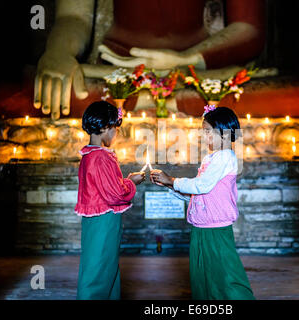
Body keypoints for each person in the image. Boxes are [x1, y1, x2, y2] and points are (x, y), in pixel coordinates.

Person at [150, 105, 255, 300]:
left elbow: (202, 186)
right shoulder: (212, 158)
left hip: (215, 228)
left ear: (224, 134)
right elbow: (200, 194)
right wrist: (170, 186)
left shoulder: (224, 157)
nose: (204, 136)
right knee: (203, 275)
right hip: (203, 225)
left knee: (226, 275)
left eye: (208, 132)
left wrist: (172, 180)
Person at [74, 100, 145, 300]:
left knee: (104, 264)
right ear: (105, 128)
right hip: (104, 220)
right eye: (115, 129)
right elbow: (115, 194)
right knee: (99, 267)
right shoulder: (101, 157)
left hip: (96, 220)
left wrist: (123, 181)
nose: (116, 134)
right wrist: (131, 183)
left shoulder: (89, 155)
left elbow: (104, 187)